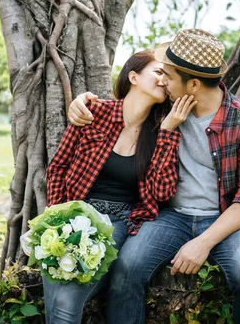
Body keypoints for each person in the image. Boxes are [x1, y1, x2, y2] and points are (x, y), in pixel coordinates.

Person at [68, 29, 240, 324]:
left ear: (192, 84)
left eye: (168, 75)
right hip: (172, 217)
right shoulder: (163, 108)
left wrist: (202, 243)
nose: (162, 81)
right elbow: (122, 107)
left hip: (226, 220)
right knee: (127, 268)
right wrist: (82, 102)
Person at [44, 50, 197, 324]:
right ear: (134, 76)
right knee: (56, 285)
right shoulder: (95, 113)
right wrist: (57, 218)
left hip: (120, 223)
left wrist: (168, 133)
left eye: (167, 76)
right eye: (158, 72)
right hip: (75, 216)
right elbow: (58, 167)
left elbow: (162, 193)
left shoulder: (161, 130)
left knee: (65, 303)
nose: (164, 80)